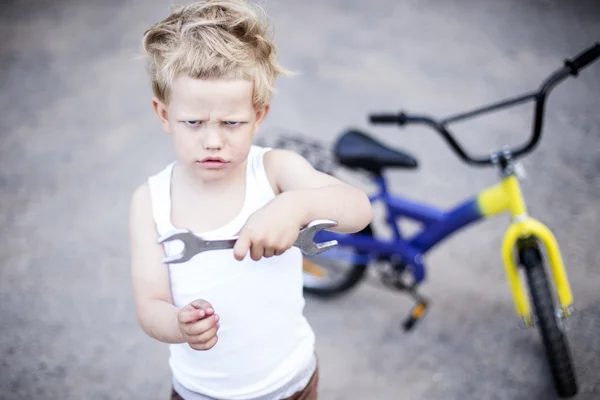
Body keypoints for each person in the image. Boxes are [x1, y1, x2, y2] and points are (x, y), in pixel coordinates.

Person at [129, 1, 373, 399]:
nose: (212, 140)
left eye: (232, 123)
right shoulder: (149, 201)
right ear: (163, 114)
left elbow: (358, 209)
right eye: (193, 122)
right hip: (200, 392)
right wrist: (179, 325)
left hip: (291, 383)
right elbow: (150, 302)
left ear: (258, 117)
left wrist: (295, 206)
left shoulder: (275, 171)